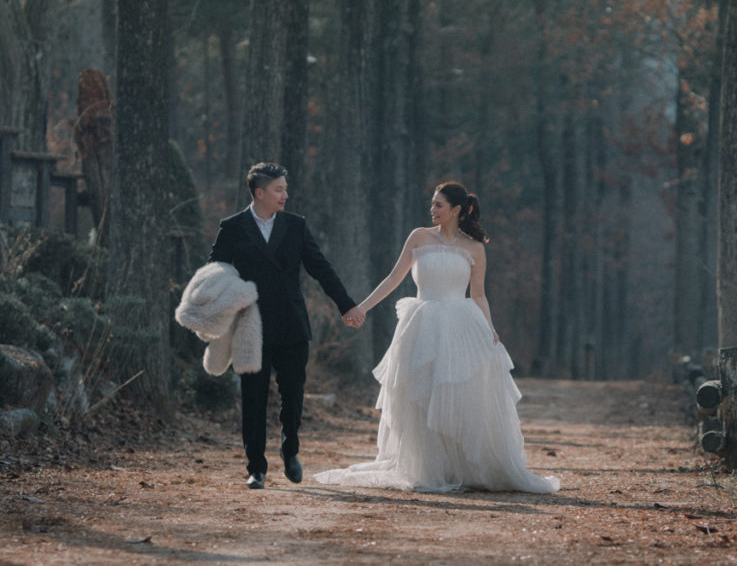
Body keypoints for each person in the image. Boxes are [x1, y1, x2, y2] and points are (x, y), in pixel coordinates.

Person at [314, 182, 559, 494]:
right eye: (432, 204)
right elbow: (393, 278)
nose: (432, 210)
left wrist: (490, 329)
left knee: (455, 393)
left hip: (459, 324)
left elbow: (479, 295)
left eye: (438, 205)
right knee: (420, 393)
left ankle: (459, 465)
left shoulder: (474, 248)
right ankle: (426, 466)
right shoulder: (419, 236)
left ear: (456, 210)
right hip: (422, 323)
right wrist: (360, 308)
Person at [208, 162, 365, 489]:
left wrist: (346, 305)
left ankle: (290, 447)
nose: (285, 195)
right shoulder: (233, 228)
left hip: (291, 325)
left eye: (285, 188)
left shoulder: (295, 226)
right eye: (279, 189)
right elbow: (215, 273)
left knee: (292, 394)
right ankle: (256, 468)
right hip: (250, 325)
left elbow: (320, 268)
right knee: (253, 398)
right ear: (259, 192)